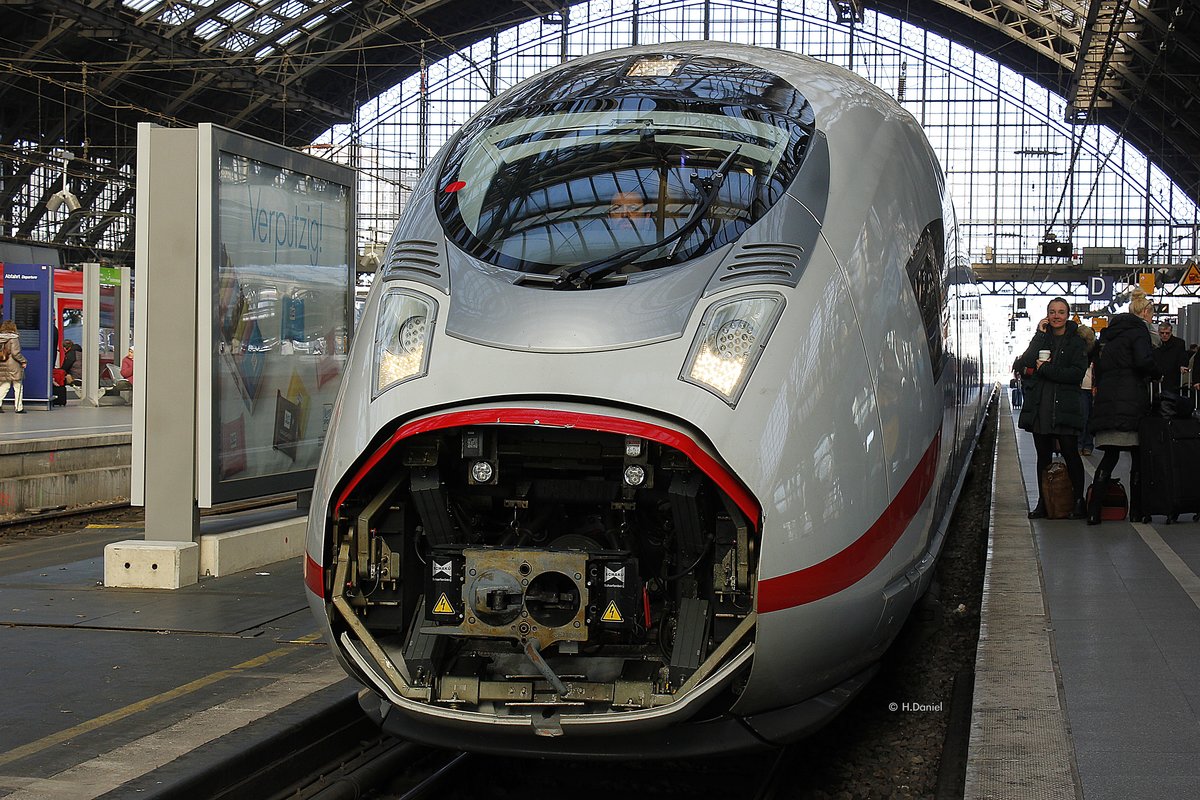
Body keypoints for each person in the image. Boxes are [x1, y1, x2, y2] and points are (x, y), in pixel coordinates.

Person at [1086, 288, 1160, 525]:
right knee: (1138, 459)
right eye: (1152, 314)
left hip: (1108, 402)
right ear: (1146, 312)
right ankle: (1137, 511)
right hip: (1131, 403)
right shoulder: (1139, 332)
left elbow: (1099, 365)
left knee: (1110, 456)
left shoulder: (1109, 336)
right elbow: (1143, 361)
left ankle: (1093, 511)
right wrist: (1156, 372)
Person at [1014, 297, 1089, 519]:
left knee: (1070, 453)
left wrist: (1046, 371)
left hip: (1065, 406)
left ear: (1068, 315)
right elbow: (1026, 361)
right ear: (1047, 314)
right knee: (1043, 457)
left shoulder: (1076, 342)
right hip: (1042, 407)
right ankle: (1044, 502)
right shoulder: (1043, 338)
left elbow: (1076, 374)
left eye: (1061, 312)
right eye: (1052, 312)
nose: (1056, 316)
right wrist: (1039, 334)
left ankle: (1078, 501)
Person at [0, 319, 28, 413]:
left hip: (3, 363)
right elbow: (15, 353)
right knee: (18, 386)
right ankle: (19, 407)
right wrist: (23, 361)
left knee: (5, 385)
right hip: (13, 364)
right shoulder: (14, 338)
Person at [1151, 322, 1188, 392]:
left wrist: (1182, 365)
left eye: (1167, 333)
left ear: (1171, 332)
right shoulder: (1154, 343)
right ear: (1158, 332)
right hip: (1158, 375)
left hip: (1173, 376)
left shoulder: (1179, 343)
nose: (1164, 335)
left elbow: (1183, 357)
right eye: (1162, 333)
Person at [1078, 323, 1097, 456]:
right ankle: (1081, 444)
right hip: (1082, 388)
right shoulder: (1078, 353)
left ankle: (1087, 445)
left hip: (1092, 388)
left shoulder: (1095, 353)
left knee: (1090, 418)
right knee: (1084, 418)